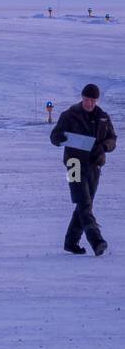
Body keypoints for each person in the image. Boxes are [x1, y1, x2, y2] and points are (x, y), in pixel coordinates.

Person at [51, 83, 116, 256]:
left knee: (84, 204)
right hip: (73, 163)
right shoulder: (69, 115)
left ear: (96, 100)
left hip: (94, 165)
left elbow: (112, 139)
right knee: (84, 203)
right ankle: (97, 241)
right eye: (87, 99)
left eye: (92, 100)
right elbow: (54, 137)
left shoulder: (103, 117)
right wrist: (62, 138)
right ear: (82, 98)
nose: (89, 103)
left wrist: (103, 147)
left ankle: (71, 242)